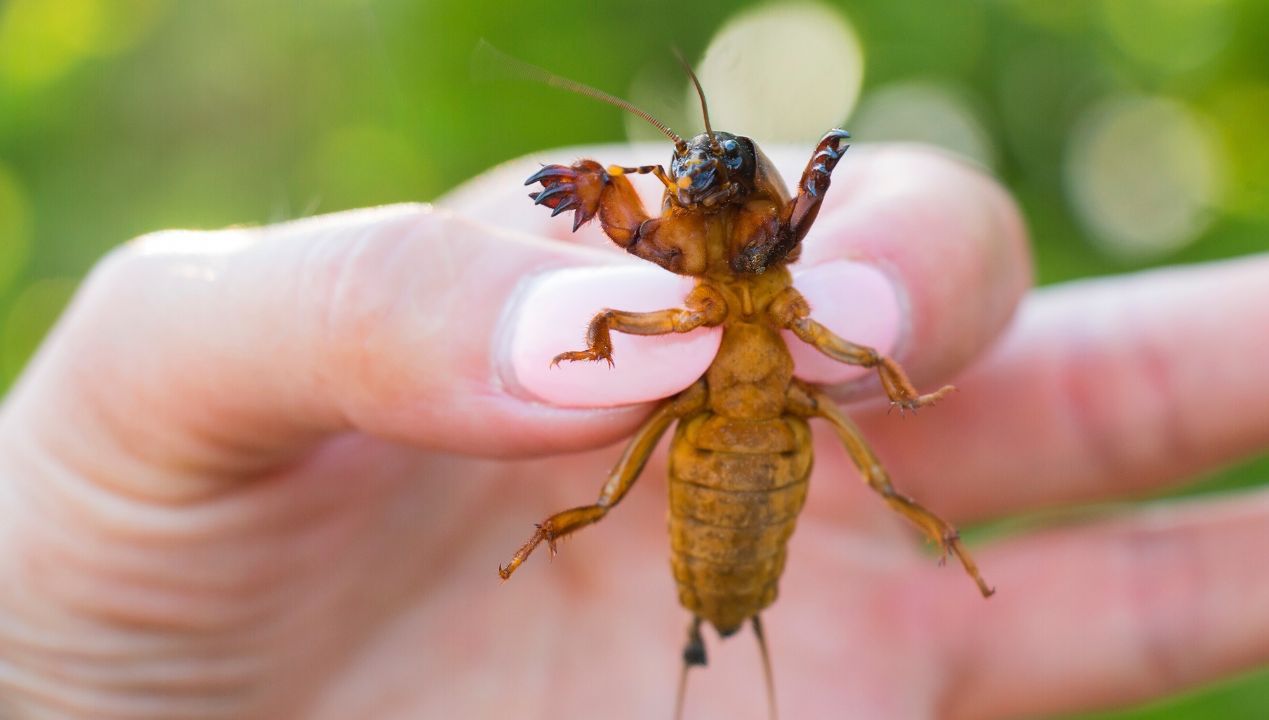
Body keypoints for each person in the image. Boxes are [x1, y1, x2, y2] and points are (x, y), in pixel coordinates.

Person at [0, 144, 1265, 720]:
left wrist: (872, 319)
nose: (708, 189)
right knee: (603, 497)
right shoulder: (704, 272)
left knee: (879, 471)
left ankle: (912, 560)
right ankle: (591, 570)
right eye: (688, 178)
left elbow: (856, 334)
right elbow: (667, 290)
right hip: (710, 453)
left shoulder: (765, 272)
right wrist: (599, 324)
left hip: (758, 459)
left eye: (732, 178)